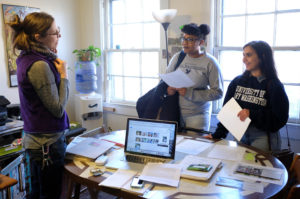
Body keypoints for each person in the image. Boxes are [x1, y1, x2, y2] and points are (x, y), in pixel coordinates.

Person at [9, 12, 69, 199]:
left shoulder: (26, 58)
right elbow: (58, 109)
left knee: (37, 193)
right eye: (55, 33)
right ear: (38, 37)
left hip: (38, 141)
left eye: (59, 32)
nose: (59, 37)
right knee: (50, 194)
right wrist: (64, 76)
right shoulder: (39, 65)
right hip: (47, 145)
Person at [205, 41, 289, 152]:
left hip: (263, 137)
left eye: (248, 55)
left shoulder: (274, 85)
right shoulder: (237, 82)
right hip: (240, 135)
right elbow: (227, 111)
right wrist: (218, 134)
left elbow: (280, 118)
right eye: (243, 55)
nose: (244, 60)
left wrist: (251, 114)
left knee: (261, 169)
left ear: (262, 57)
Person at [166, 23, 223, 132]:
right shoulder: (177, 57)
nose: (184, 43)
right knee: (176, 147)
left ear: (201, 42)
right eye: (183, 38)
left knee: (193, 148)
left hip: (198, 116)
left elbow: (218, 92)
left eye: (190, 39)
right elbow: (167, 79)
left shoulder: (210, 62)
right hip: (174, 112)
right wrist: (169, 89)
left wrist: (189, 93)